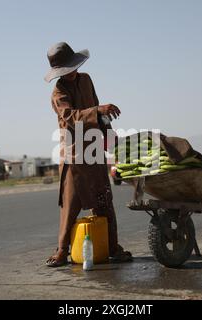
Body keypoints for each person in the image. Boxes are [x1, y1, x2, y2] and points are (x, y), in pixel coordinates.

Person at [44, 42, 132, 267]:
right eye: (66, 70)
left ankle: (112, 247)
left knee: (104, 201)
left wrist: (111, 141)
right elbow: (71, 118)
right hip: (74, 155)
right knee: (70, 204)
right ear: (59, 72)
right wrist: (98, 110)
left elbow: (97, 112)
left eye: (72, 67)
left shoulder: (86, 80)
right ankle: (62, 250)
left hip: (93, 149)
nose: (71, 72)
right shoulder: (58, 93)